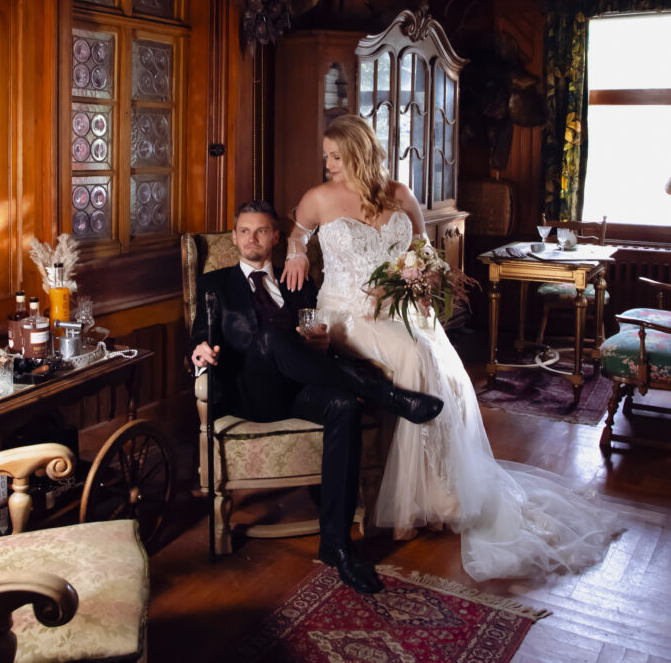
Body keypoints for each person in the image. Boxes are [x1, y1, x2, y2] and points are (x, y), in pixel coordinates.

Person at [282, 115, 624, 583]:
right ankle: (417, 498)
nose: (328, 164)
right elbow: (297, 232)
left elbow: (424, 251)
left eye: (335, 156)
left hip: (401, 311)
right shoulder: (317, 197)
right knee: (414, 359)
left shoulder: (399, 194)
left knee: (443, 366)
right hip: (346, 313)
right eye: (326, 156)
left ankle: (440, 489)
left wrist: (422, 285)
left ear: (360, 153)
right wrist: (296, 251)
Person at [190, 199, 443, 595]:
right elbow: (199, 340)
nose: (250, 239)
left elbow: (312, 340)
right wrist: (199, 353)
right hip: (249, 395)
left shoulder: (297, 282)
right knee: (272, 336)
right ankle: (388, 395)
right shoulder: (215, 284)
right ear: (234, 236)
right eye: (243, 231)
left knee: (342, 406)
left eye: (260, 231)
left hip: (298, 390)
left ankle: (337, 546)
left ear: (275, 237)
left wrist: (321, 345)